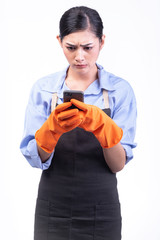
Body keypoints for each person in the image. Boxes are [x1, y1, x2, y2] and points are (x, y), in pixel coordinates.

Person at [20, 6, 137, 240]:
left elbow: (117, 165)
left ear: (101, 42)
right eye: (71, 47)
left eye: (87, 47)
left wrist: (104, 129)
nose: (79, 56)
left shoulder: (119, 91)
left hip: (101, 210)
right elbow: (36, 160)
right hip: (52, 209)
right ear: (59, 41)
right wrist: (51, 131)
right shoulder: (44, 90)